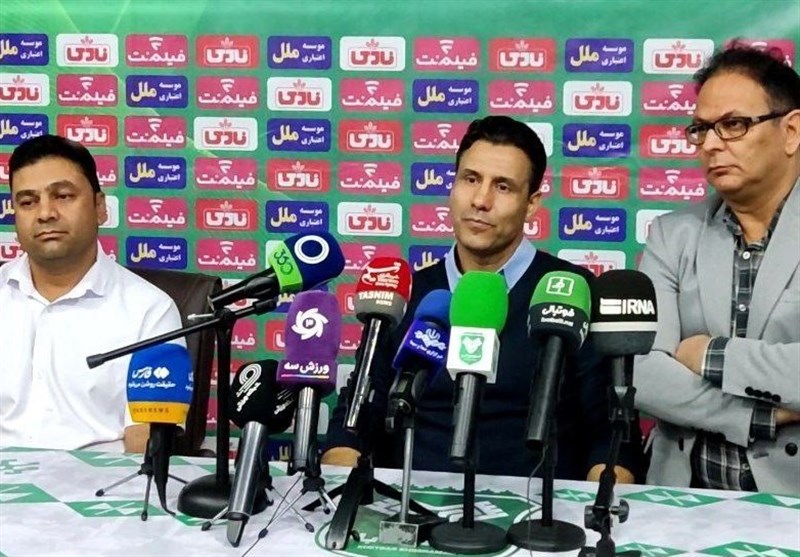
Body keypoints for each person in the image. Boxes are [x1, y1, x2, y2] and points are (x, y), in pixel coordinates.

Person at [324, 116, 641, 481]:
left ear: (532, 204)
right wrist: (342, 485)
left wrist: (596, 503)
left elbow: (613, 441)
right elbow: (354, 420)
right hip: (410, 502)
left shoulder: (574, 293)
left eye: (502, 187)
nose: (480, 201)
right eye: (470, 179)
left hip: (539, 507)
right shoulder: (405, 294)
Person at [635, 44, 800, 494]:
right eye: (701, 129)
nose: (709, 144)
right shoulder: (671, 235)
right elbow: (642, 373)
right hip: (680, 498)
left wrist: (709, 355)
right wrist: (755, 416)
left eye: (733, 125)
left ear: (791, 131)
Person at [0, 135, 183, 453]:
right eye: (28, 202)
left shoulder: (149, 310)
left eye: (63, 196)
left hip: (102, 481)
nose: (45, 213)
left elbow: (147, 441)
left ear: (100, 208)